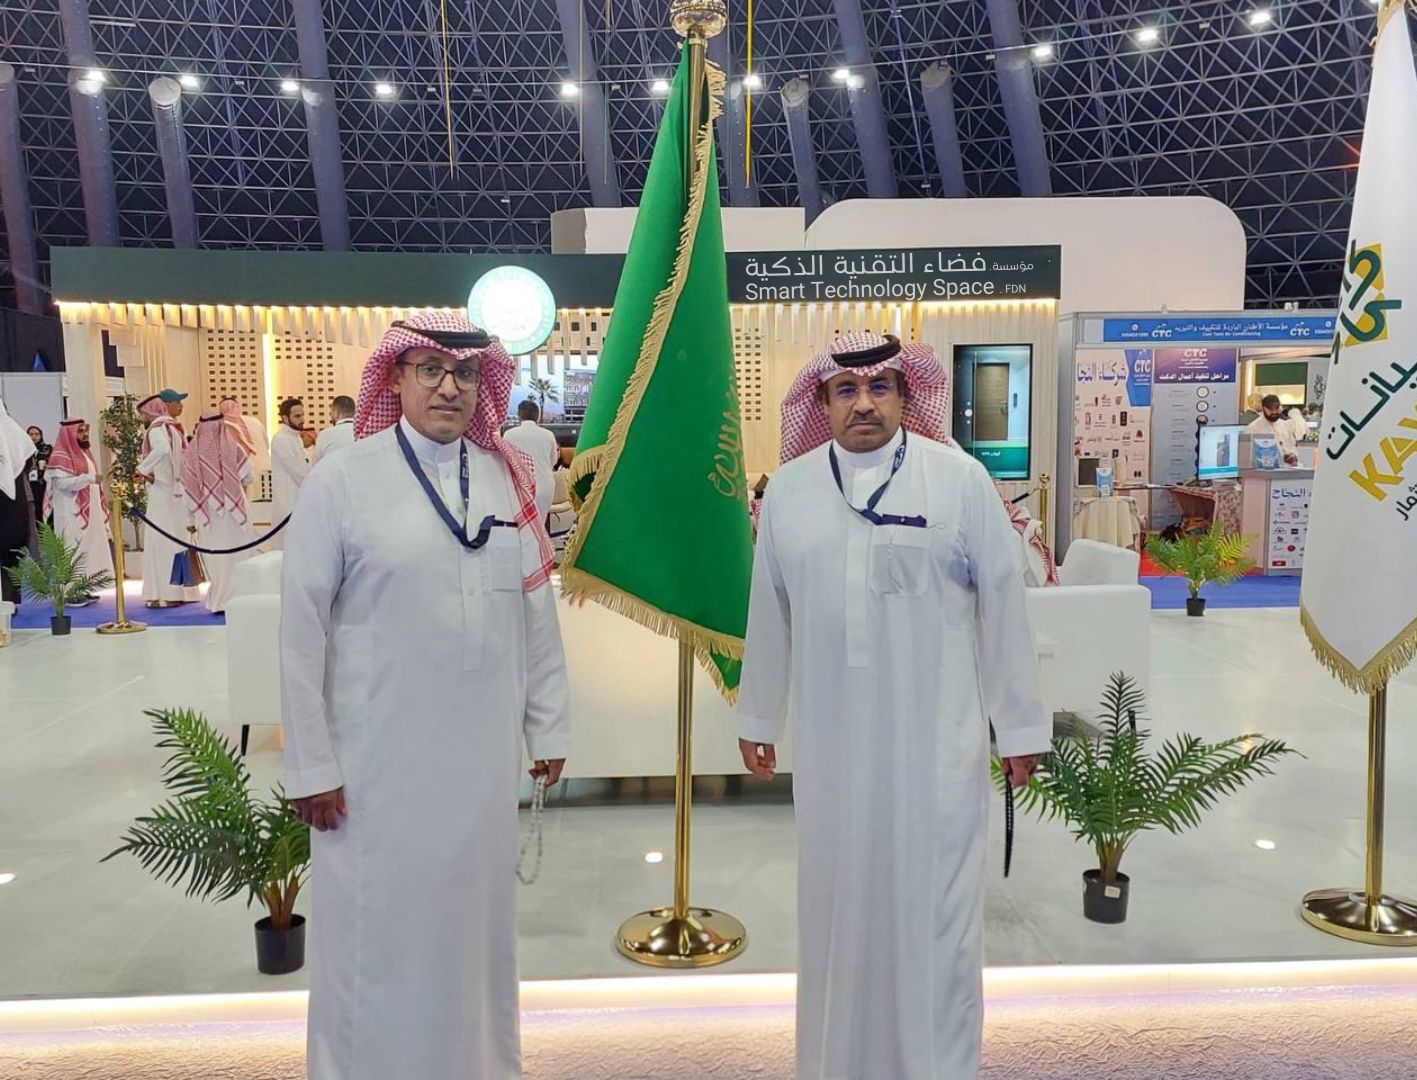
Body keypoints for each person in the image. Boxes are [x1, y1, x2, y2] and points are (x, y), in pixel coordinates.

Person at [736, 331, 1050, 1080]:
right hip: (833, 755)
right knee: (838, 914)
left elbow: (1003, 604)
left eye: (880, 387)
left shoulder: (959, 480)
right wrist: (758, 716)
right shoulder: (790, 491)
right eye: (845, 390)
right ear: (821, 402)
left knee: (936, 921)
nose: (864, 404)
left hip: (934, 753)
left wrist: (1018, 726)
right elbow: (768, 612)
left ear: (907, 396)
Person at [280, 312, 569, 1080]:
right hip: (374, 768)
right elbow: (300, 630)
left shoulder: (507, 476)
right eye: (431, 370)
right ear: (396, 379)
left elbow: (533, 614)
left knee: (472, 939)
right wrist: (310, 763)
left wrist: (548, 726)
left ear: (483, 384)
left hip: (480, 765)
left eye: (465, 373)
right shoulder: (344, 478)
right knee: (375, 942)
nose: (449, 387)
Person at [182, 413, 254, 614]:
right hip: (235, 512)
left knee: (217, 559)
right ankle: (240, 599)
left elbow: (187, 490)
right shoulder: (233, 448)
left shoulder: (192, 453)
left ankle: (219, 601)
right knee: (238, 556)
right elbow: (249, 477)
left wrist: (189, 519)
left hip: (208, 515)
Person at [137, 390, 200, 608]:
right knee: (177, 543)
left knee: (160, 544)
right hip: (176, 493)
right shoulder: (173, 428)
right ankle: (182, 592)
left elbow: (162, 450)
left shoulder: (158, 429)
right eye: (177, 402)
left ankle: (165, 595)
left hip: (162, 494)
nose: (180, 406)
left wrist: (142, 469)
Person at [44, 419, 114, 589]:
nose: (85, 434)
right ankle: (70, 590)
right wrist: (88, 479)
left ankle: (85, 587)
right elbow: (62, 484)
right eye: (80, 431)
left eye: (85, 430)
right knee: (72, 549)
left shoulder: (86, 453)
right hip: (70, 512)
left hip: (90, 511)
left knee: (88, 549)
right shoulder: (60, 456)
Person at [0, 397, 36, 606]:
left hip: (11, 507)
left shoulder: (13, 433)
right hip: (15, 504)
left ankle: (9, 600)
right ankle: (11, 601)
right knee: (11, 555)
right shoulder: (17, 434)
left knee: (10, 552)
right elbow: (28, 462)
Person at [269, 396, 310, 549]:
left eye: (302, 415)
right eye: (297, 416)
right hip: (288, 503)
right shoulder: (282, 440)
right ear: (285, 418)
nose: (302, 419)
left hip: (299, 499)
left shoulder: (295, 437)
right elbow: (299, 472)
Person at [503, 398, 560, 473]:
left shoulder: (508, 435)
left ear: (519, 416)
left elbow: (506, 462)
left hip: (518, 480)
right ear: (538, 417)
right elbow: (553, 461)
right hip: (546, 480)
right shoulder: (549, 435)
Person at [1246, 393, 1299, 466]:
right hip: (1264, 470)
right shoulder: (1253, 428)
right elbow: (1248, 456)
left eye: (1276, 408)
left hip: (1288, 468)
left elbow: (1293, 445)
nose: (1274, 412)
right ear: (1263, 408)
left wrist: (1293, 455)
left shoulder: (1285, 425)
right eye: (1270, 409)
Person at [312, 395, 356, 465]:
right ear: (355, 412)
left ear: (336, 412)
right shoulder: (364, 432)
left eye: (331, 413)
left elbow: (315, 466)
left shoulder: (324, 435)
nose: (331, 416)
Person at [25, 425, 50, 520]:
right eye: (31, 434)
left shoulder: (47, 449)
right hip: (28, 483)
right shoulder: (24, 450)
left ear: (41, 436)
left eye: (37, 434)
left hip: (43, 483)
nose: (34, 436)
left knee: (42, 508)